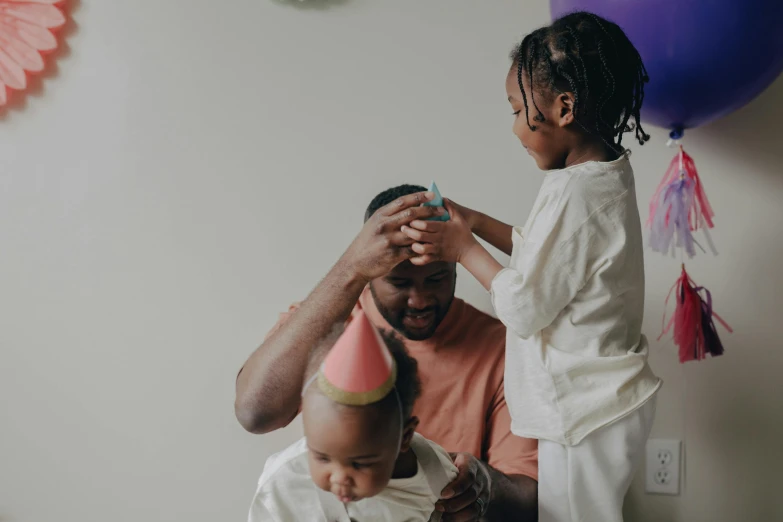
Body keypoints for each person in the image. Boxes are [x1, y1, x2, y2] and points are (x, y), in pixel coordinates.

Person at [400, 12, 662, 522]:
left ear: (563, 108)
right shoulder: (600, 176)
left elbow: (523, 306)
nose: (515, 125)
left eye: (519, 109)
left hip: (586, 408)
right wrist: (474, 223)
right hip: (598, 404)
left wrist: (462, 249)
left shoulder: (577, 193)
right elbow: (547, 259)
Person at [236, 187, 538, 521]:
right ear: (372, 270)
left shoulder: (503, 348)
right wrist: (350, 267)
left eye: (437, 278)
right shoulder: (327, 325)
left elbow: (530, 497)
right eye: (399, 282)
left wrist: (485, 484)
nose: (420, 300)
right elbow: (255, 413)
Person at [249, 312, 458, 521]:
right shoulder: (285, 483)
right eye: (321, 457)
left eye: (359, 464)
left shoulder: (435, 474)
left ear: (404, 437)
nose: (340, 479)